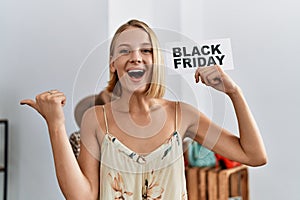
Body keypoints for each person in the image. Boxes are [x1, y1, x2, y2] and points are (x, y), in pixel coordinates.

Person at [20, 19, 267, 200]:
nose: (136, 57)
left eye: (145, 50)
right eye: (125, 50)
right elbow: (82, 198)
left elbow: (254, 156)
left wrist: (235, 93)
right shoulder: (95, 119)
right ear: (113, 63)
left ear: (155, 61)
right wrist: (56, 124)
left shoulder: (182, 115)